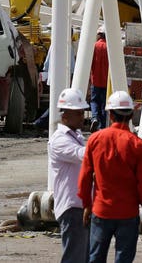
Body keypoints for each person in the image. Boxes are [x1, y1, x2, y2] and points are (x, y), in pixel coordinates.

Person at [77, 91, 142, 263]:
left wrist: (86, 206)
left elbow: (85, 178)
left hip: (101, 211)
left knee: (95, 258)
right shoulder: (139, 145)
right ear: (132, 115)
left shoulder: (95, 140)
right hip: (128, 214)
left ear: (110, 114)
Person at [49, 87, 90, 263]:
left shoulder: (76, 135)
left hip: (80, 205)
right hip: (71, 207)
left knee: (83, 256)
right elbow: (84, 155)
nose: (82, 117)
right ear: (65, 115)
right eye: (78, 113)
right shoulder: (59, 139)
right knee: (75, 257)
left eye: (82, 113)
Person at [89, 32, 109, 131]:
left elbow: (90, 62)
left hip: (95, 80)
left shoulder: (94, 46)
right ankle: (103, 126)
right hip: (106, 81)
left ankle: (95, 117)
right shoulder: (109, 47)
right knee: (104, 104)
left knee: (94, 101)